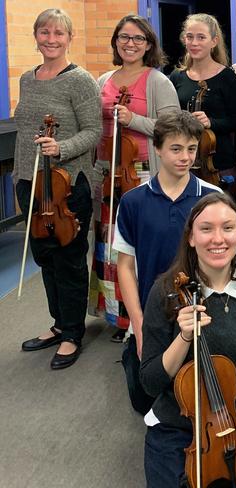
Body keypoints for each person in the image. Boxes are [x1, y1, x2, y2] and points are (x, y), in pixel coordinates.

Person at [140, 192, 236, 487]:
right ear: (191, 237)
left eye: (227, 228)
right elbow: (149, 382)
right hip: (177, 427)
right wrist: (184, 337)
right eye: (206, 229)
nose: (217, 239)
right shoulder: (165, 291)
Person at [113, 111, 220, 414]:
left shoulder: (211, 198)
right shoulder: (133, 202)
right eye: (176, 149)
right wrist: (139, 323)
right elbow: (125, 266)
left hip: (201, 311)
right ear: (157, 148)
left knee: (200, 399)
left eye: (191, 149)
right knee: (144, 401)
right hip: (152, 314)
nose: (185, 157)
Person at [17, 9, 101, 370]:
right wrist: (22, 175)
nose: (51, 39)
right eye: (44, 32)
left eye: (58, 33)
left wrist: (61, 148)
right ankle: (58, 323)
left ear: (70, 38)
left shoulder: (80, 80)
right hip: (30, 182)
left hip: (68, 185)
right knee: (45, 258)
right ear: (35, 37)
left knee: (68, 258)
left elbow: (93, 131)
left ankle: (72, 333)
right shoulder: (26, 78)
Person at [89, 14, 180, 342]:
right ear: (115, 41)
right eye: (124, 37)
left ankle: (147, 314)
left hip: (143, 172)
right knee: (113, 250)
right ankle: (120, 316)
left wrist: (135, 119)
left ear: (149, 45)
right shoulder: (103, 80)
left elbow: (172, 128)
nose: (130, 43)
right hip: (110, 172)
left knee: (142, 247)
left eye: (138, 39)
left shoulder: (157, 81)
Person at [169, 13, 236, 195]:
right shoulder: (177, 76)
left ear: (214, 41)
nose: (194, 43)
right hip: (183, 163)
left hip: (218, 165)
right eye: (190, 37)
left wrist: (211, 122)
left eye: (201, 37)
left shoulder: (227, 77)